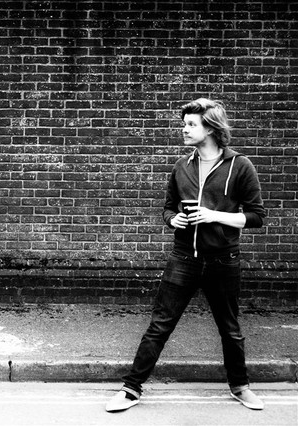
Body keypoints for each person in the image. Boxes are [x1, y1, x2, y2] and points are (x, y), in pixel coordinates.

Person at [106, 98, 266, 412]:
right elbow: (168, 207)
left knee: (230, 329)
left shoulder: (240, 166)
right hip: (183, 258)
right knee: (159, 326)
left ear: (211, 128)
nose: (185, 129)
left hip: (223, 261)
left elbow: (256, 217)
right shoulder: (182, 166)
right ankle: (131, 389)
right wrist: (173, 220)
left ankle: (240, 387)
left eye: (192, 124)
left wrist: (214, 215)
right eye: (185, 123)